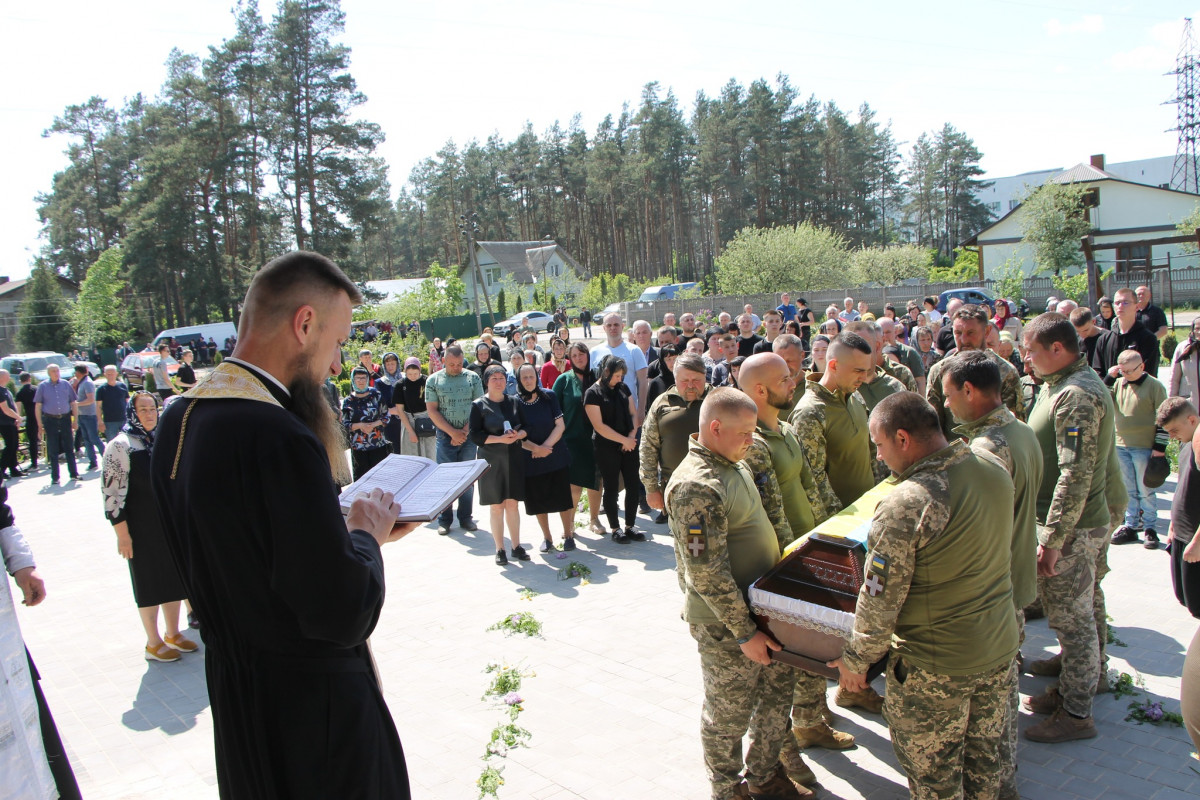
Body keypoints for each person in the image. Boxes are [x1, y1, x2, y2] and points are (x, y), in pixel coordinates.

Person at [150, 251, 417, 798]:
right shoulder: (277, 434)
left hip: (238, 699)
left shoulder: (180, 417)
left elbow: (250, 555)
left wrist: (332, 531)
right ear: (304, 324)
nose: (338, 365)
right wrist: (365, 535)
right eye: (339, 342)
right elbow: (342, 612)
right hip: (313, 724)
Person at [832, 392, 1018, 800]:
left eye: (878, 445)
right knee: (989, 766)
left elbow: (879, 601)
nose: (878, 457)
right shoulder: (991, 465)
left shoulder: (908, 502)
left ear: (902, 438)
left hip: (937, 666)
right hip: (998, 647)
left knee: (936, 779)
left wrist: (856, 663)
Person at [665, 388, 813, 800]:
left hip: (765, 611)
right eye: (745, 432)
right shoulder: (697, 485)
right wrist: (745, 633)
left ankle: (765, 776)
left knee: (774, 701)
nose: (753, 439)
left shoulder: (733, 463)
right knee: (728, 715)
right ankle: (728, 788)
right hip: (726, 624)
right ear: (715, 428)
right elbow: (706, 573)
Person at [740, 353, 854, 760]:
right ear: (759, 390)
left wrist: (833, 536)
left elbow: (814, 486)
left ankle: (811, 720)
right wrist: (795, 563)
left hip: (810, 550)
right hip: (786, 562)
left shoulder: (785, 430)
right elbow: (771, 512)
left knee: (815, 645)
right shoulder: (751, 443)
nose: (795, 382)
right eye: (785, 379)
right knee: (791, 657)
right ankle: (788, 742)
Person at [942, 351, 1044, 800]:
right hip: (1016, 578)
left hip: (994, 591)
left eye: (948, 395)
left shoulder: (987, 450)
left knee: (993, 708)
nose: (946, 406)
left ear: (969, 391)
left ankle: (996, 784)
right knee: (1002, 699)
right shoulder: (1019, 431)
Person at [1019, 312, 1116, 743]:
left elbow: (1074, 473)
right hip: (1078, 525)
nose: (1026, 358)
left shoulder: (1076, 395)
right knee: (1086, 609)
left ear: (1057, 349)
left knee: (1072, 622)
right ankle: (1087, 679)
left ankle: (1076, 714)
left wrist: (1053, 539)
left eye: (1032, 351)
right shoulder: (1059, 384)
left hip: (1073, 530)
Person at [102, 391, 198, 663]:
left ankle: (173, 634)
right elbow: (112, 493)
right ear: (132, 413)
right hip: (140, 527)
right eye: (142, 410)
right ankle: (153, 642)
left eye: (152, 409)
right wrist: (123, 535)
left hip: (167, 524)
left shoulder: (159, 439)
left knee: (174, 579)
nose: (148, 414)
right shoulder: (121, 445)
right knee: (148, 582)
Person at [789, 332, 876, 520]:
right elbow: (813, 479)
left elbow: (871, 452)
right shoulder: (810, 412)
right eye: (858, 371)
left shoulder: (854, 396)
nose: (864, 377)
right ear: (834, 365)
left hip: (870, 511)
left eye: (866, 371)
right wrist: (837, 523)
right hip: (843, 523)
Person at [925, 305, 1024, 440]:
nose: (964, 340)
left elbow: (1015, 424)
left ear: (987, 331)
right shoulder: (940, 371)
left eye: (971, 333)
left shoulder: (1005, 372)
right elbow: (933, 427)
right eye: (958, 333)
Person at [641, 353, 710, 527]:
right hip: (675, 488)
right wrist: (651, 488)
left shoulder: (717, 400)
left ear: (705, 376)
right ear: (675, 378)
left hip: (713, 486)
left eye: (696, 380)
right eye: (684, 381)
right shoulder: (662, 403)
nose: (691, 386)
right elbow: (648, 447)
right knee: (686, 542)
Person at [1108, 350, 1168, 548]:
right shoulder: (1119, 383)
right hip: (1121, 444)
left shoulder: (1155, 386)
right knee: (1128, 488)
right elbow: (1101, 399)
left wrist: (1159, 448)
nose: (1125, 375)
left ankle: (1150, 526)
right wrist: (1110, 377)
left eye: (1129, 371)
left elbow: (1164, 418)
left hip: (1143, 446)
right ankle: (1131, 525)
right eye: (1122, 371)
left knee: (1146, 489)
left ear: (1141, 367)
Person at [470, 365, 529, 565]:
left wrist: (517, 435)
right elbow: (475, 436)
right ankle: (499, 549)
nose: (498, 382)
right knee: (496, 505)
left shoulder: (514, 402)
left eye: (502, 378)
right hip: (491, 459)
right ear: (486, 381)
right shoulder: (478, 405)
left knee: (512, 503)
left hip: (513, 457)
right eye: (494, 378)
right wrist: (499, 439)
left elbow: (526, 427)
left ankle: (516, 546)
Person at [514, 363, 574, 552]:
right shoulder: (514, 402)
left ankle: (569, 535)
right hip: (531, 458)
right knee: (539, 501)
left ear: (537, 376)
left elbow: (560, 425)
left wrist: (546, 447)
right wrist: (536, 448)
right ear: (519, 380)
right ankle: (547, 538)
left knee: (563, 498)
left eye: (531, 376)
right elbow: (516, 435)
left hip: (555, 455)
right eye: (524, 378)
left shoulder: (549, 396)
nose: (529, 381)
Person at [426, 344, 484, 536]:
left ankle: (466, 518)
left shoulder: (472, 378)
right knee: (446, 479)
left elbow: (478, 406)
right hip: (445, 436)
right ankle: (444, 520)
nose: (456, 368)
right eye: (451, 364)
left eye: (459, 364)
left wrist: (464, 432)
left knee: (467, 479)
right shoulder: (433, 380)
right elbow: (432, 410)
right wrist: (452, 433)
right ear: (444, 361)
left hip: (468, 435)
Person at [585, 357, 644, 543]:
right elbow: (599, 426)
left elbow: (633, 413)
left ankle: (630, 525)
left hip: (629, 442)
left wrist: (632, 434)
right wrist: (624, 440)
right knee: (611, 487)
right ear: (605, 372)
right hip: (606, 446)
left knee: (633, 484)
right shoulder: (592, 393)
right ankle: (615, 528)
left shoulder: (623, 388)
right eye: (616, 375)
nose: (620, 379)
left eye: (622, 375)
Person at [552, 342, 604, 537]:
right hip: (571, 440)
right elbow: (554, 411)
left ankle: (594, 519)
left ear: (587, 356)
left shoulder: (598, 379)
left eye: (582, 354)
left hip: (596, 438)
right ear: (569, 359)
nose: (579, 359)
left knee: (596, 481)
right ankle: (570, 523)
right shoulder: (564, 380)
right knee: (573, 484)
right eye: (574, 356)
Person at [1158, 398, 1200, 617]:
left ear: (1191, 420)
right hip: (1182, 535)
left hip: (1195, 538)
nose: (1171, 436)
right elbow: (1184, 484)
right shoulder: (1187, 440)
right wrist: (1173, 524)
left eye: (1174, 430)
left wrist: (1197, 542)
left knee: (1196, 606)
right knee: (1184, 598)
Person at [342, 366, 392, 481]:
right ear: (353, 380)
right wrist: (360, 426)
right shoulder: (348, 401)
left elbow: (386, 416)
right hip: (359, 447)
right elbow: (345, 423)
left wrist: (373, 425)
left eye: (364, 378)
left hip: (378, 444)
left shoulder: (376, 395)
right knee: (362, 481)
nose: (361, 381)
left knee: (380, 479)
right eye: (358, 378)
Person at [34, 364, 78, 486]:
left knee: (69, 447)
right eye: (53, 371)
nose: (56, 373)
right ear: (49, 373)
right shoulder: (43, 386)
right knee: (53, 448)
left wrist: (75, 420)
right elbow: (38, 406)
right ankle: (55, 477)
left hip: (65, 418)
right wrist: (39, 424)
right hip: (50, 419)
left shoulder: (65, 384)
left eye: (57, 371)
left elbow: (73, 402)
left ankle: (74, 473)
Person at [1105, 288, 1161, 382]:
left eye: (1125, 302)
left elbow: (1149, 375)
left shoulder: (1148, 339)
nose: (1120, 306)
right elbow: (1098, 374)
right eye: (1117, 303)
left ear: (1137, 306)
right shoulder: (1104, 339)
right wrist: (1109, 378)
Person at [394, 357, 435, 460]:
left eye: (415, 374)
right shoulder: (400, 385)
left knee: (430, 454)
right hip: (408, 420)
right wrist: (411, 431)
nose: (412, 377)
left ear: (420, 370)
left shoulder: (427, 381)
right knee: (412, 456)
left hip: (426, 419)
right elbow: (400, 410)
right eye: (409, 374)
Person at [879, 317, 926, 394]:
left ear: (895, 332)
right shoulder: (874, 354)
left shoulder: (909, 353)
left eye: (888, 332)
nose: (885, 336)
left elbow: (920, 381)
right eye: (882, 332)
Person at [71, 363, 103, 471]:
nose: (75, 374)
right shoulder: (81, 382)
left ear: (79, 372)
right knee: (87, 439)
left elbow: (90, 399)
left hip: (89, 415)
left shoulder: (88, 383)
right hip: (82, 415)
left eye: (75, 372)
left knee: (94, 438)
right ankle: (92, 462)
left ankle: (107, 457)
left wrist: (76, 404)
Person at [374, 352, 405, 449]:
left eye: (393, 363)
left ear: (397, 364)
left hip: (407, 419)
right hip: (391, 422)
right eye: (388, 364)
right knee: (395, 449)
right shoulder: (380, 382)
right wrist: (391, 410)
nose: (390, 366)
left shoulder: (405, 378)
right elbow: (378, 403)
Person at [1168, 317, 1200, 411]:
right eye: (1197, 328)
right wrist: (1171, 403)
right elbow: (1174, 379)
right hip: (1188, 406)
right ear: (1192, 330)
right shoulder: (1183, 348)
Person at [95, 365, 130, 444]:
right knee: (112, 444)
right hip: (110, 422)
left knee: (126, 442)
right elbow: (98, 406)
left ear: (116, 374)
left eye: (112, 373)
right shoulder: (101, 389)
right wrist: (100, 421)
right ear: (105, 374)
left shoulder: (122, 386)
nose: (111, 376)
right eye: (108, 374)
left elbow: (128, 402)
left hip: (124, 419)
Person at [0, 370, 22, 479]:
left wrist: (17, 417)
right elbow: (5, 409)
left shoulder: (6, 390)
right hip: (4, 422)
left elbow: (12, 404)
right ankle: (2, 469)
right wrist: (18, 417)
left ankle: (13, 468)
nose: (9, 378)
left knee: (14, 445)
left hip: (11, 421)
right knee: (10, 446)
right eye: (8, 376)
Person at [15, 373, 38, 473]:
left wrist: (18, 420)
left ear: (20, 381)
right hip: (40, 415)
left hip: (30, 418)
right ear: (30, 379)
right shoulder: (36, 389)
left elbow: (18, 409)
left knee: (32, 441)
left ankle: (34, 463)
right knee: (48, 437)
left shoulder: (20, 393)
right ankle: (50, 459)